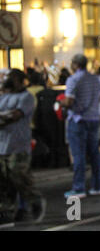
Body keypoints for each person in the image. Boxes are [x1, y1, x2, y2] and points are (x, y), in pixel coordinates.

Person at [0, 69, 46, 228]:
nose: (6, 79)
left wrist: (4, 117)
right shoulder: (4, 96)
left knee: (19, 178)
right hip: (2, 146)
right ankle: (7, 212)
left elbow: (15, 115)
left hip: (18, 145)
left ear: (19, 80)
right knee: (4, 181)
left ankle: (35, 202)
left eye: (9, 77)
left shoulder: (26, 97)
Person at [61, 54, 100, 198]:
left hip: (78, 120)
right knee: (95, 154)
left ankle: (79, 187)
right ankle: (97, 186)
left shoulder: (73, 79)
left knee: (78, 155)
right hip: (93, 118)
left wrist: (60, 103)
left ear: (75, 64)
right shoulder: (95, 79)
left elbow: (68, 101)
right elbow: (98, 97)